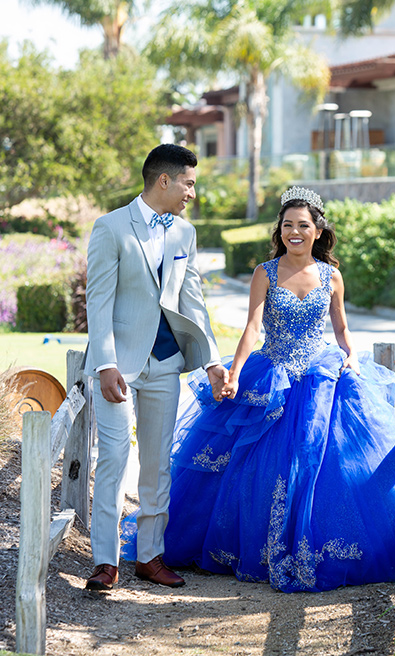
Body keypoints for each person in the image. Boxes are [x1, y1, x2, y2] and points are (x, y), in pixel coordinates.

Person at [122, 186, 395, 592]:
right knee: (255, 466)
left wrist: (351, 357)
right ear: (280, 230)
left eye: (303, 225)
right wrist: (234, 372)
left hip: (321, 378)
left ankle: (314, 546)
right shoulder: (265, 273)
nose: (295, 232)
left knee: (319, 463)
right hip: (271, 375)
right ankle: (255, 547)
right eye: (288, 225)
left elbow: (340, 328)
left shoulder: (331, 276)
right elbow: (252, 328)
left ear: (318, 231)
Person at [83, 143, 228, 591]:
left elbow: (193, 300)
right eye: (189, 183)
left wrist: (211, 361)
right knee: (113, 459)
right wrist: (106, 364)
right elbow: (99, 302)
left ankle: (149, 556)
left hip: (166, 364)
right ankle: (105, 562)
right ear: (163, 180)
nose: (192, 194)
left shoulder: (184, 234)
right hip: (118, 368)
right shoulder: (110, 228)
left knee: (157, 464)